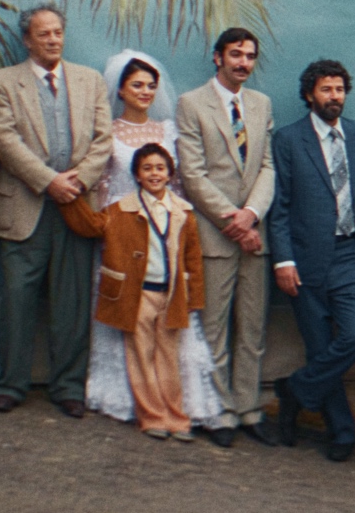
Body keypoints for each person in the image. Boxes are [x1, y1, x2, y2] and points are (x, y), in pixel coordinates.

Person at [0, 3, 112, 416]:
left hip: (77, 205)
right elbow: (5, 142)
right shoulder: (3, 82)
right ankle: (10, 384)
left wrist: (78, 181)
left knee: (72, 303)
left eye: (58, 32)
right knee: (17, 300)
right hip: (26, 207)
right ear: (27, 40)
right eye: (44, 34)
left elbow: (103, 140)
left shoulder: (90, 80)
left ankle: (69, 387)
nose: (53, 40)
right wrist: (48, 181)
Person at [85, 51, 222, 427]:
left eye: (150, 86)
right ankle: (129, 398)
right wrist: (106, 229)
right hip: (123, 229)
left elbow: (178, 186)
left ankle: (173, 403)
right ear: (121, 90)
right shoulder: (109, 132)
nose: (145, 92)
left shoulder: (167, 131)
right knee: (129, 313)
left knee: (166, 318)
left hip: (163, 231)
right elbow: (102, 184)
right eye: (137, 85)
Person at [59, 143, 206, 441]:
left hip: (171, 295)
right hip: (137, 296)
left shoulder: (183, 213)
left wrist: (194, 296)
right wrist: (69, 198)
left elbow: (193, 258)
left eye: (160, 168)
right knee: (141, 357)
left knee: (169, 358)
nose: (154, 174)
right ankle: (152, 417)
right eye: (147, 168)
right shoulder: (121, 210)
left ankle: (177, 418)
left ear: (170, 174)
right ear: (137, 175)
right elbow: (90, 226)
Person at [175, 28, 277, 448]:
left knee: (252, 327)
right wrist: (232, 220)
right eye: (236, 54)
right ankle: (217, 411)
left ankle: (247, 408)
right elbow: (193, 174)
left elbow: (267, 166)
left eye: (250, 56)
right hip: (216, 235)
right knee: (214, 327)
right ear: (218, 57)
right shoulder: (191, 103)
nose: (243, 63)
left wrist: (251, 215)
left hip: (255, 233)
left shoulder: (261, 104)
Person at [268, 60, 355, 463]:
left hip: (349, 253)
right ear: (310, 94)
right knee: (319, 347)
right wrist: (283, 261)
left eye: (339, 89)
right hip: (305, 257)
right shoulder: (289, 139)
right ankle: (342, 432)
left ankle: (293, 390)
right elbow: (280, 206)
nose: (334, 96)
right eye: (326, 89)